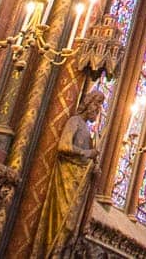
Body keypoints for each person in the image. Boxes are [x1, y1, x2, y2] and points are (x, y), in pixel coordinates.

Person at [36, 85, 105, 257]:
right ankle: (51, 252)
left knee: (72, 226)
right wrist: (87, 153)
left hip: (78, 180)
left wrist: (94, 167)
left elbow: (87, 159)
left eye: (99, 107)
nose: (97, 111)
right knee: (64, 222)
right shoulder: (75, 122)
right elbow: (63, 146)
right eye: (96, 105)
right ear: (88, 103)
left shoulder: (87, 131)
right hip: (67, 178)